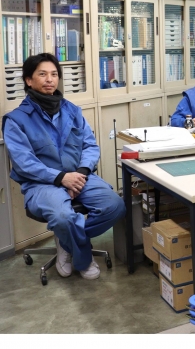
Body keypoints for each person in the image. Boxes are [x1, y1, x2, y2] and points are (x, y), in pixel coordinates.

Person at [2, 53, 125, 280]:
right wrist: (61, 178)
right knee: (62, 217)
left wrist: (80, 173)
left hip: (79, 176)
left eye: (54, 74)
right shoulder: (16, 120)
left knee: (115, 205)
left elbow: (90, 146)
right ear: (28, 80)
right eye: (42, 74)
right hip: (41, 183)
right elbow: (24, 162)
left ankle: (67, 240)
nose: (50, 79)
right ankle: (81, 255)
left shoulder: (72, 111)